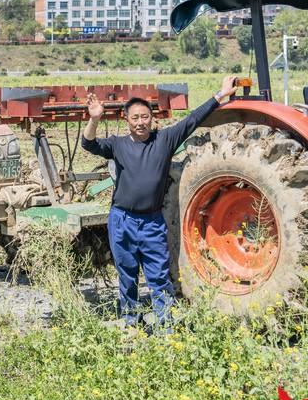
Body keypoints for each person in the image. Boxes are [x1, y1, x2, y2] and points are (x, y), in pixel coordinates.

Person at [81, 76, 238, 329]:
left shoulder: (164, 140)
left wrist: (220, 95)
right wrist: (95, 118)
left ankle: (165, 324)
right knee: (127, 276)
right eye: (135, 118)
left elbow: (193, 120)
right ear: (127, 120)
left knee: (158, 275)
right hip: (122, 220)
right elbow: (88, 144)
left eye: (145, 117)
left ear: (152, 118)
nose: (141, 123)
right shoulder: (118, 145)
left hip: (152, 221)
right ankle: (131, 322)